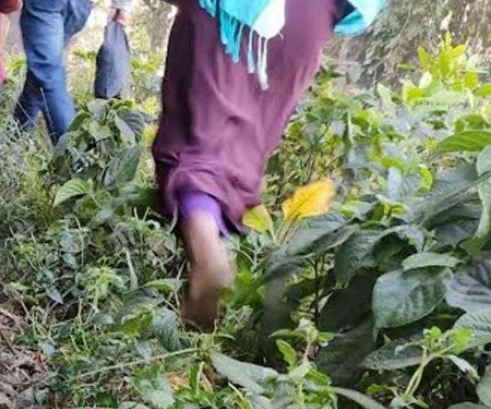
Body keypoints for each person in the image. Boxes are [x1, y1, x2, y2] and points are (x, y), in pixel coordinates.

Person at [152, 0, 384, 329]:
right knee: (247, 143)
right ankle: (208, 248)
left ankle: (205, 245)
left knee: (193, 132)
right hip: (312, 16)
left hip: (233, 8)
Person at [14, 0, 133, 144]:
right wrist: (121, 5)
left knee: (48, 74)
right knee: (43, 72)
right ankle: (16, 136)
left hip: (47, 4)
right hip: (81, 6)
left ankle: (73, 158)